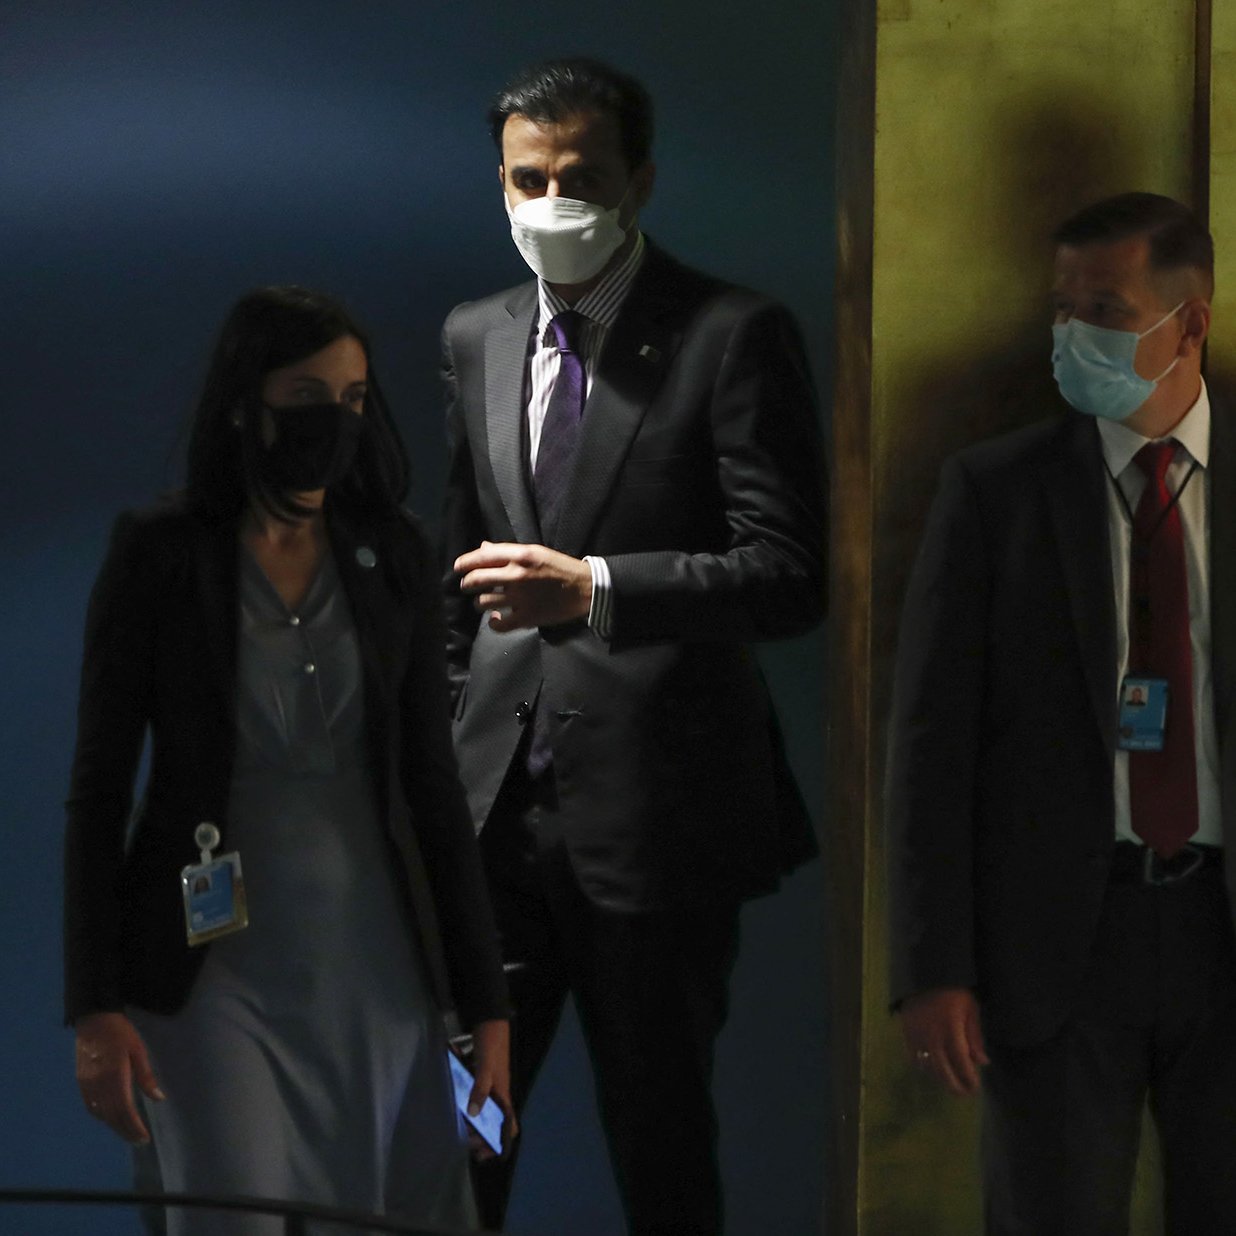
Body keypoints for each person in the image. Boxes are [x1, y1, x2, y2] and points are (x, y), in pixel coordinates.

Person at [440, 57, 827, 1236]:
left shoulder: (731, 334)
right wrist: (442, 761)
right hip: (494, 829)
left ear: (641, 181)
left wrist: (598, 590)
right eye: (529, 178)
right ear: (500, 182)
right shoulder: (478, 334)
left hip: (659, 823)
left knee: (657, 1135)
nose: (553, 201)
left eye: (584, 177)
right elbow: (459, 573)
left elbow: (787, 574)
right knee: (464, 1135)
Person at [64, 286, 514, 1234]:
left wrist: (488, 1009)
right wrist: (93, 1006)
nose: (335, 422)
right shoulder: (161, 554)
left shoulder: (394, 553)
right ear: (246, 403)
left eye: (353, 398)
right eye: (308, 397)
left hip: (377, 963)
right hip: (211, 967)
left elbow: (434, 790)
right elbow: (98, 793)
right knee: (231, 1208)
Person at [887, 193, 1236, 1234]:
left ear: (1190, 323)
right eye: (1062, 308)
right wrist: (933, 967)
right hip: (1058, 945)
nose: (1074, 334)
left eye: (1106, 311)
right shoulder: (997, 493)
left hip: (1221, 924)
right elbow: (931, 746)